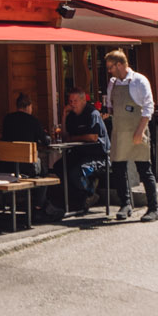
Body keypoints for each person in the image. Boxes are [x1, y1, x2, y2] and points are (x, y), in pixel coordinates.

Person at [105, 49, 158, 221]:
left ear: (120, 65)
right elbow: (111, 106)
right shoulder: (112, 83)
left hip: (137, 130)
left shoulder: (139, 81)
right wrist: (107, 113)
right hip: (119, 131)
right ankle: (125, 204)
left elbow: (149, 107)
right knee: (119, 169)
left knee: (144, 169)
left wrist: (140, 131)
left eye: (111, 67)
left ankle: (153, 209)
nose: (109, 71)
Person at [50, 87, 107, 218]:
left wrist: (73, 138)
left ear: (83, 101)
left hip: (97, 155)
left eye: (75, 101)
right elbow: (65, 137)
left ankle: (89, 192)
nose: (72, 104)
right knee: (59, 167)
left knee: (75, 172)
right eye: (70, 101)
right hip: (78, 154)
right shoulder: (71, 116)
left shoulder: (92, 113)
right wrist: (64, 115)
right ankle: (74, 200)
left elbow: (93, 137)